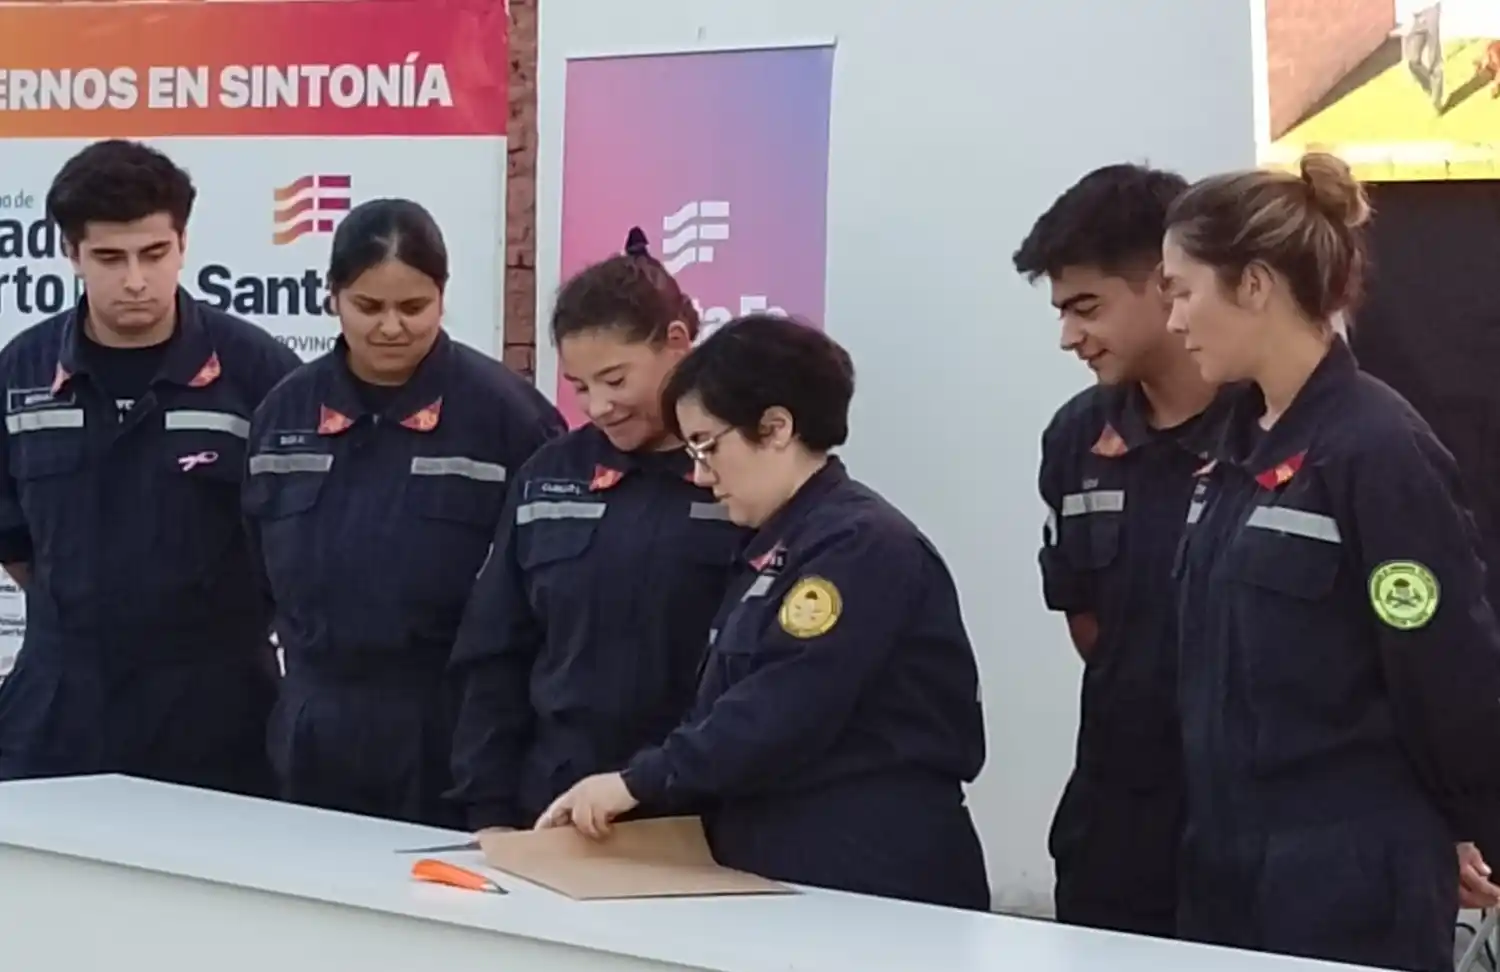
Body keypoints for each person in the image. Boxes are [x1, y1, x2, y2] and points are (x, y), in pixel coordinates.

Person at [1161, 152, 1500, 971]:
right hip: (1225, 860)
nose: (1173, 320)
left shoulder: (1376, 449)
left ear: (1253, 285)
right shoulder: (1234, 447)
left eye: (1182, 290)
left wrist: (1460, 822)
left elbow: (1444, 665)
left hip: (1345, 875)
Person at [535, 314, 991, 911]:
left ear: (776, 427)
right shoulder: (776, 548)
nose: (700, 475)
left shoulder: (858, 547)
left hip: (866, 872)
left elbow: (780, 709)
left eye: (707, 446)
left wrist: (636, 783)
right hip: (780, 860)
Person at [243, 198, 564, 828]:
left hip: (450, 726)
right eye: (369, 307)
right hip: (313, 722)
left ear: (442, 297)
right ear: (332, 297)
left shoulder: (507, 419)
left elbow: (546, 593)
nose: (391, 327)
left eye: (413, 307)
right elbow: (255, 561)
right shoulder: (283, 416)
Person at [0, 139, 301, 792]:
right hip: (59, 706)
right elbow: (12, 535)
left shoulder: (260, 375)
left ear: (183, 245)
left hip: (221, 710)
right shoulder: (20, 374)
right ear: (71, 254)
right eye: (110, 258)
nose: (135, 280)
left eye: (153, 254)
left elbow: (303, 538)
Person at [448, 228, 749, 832]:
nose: (597, 407)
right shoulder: (549, 476)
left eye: (615, 380)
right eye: (580, 387)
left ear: (678, 344)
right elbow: (496, 656)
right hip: (558, 806)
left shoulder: (744, 474)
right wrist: (487, 807)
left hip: (702, 811)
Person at [1012, 163, 1222, 938]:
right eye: (1062, 311)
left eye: (1087, 307)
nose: (1070, 336)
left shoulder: (1285, 429)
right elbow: (1085, 619)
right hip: (1119, 823)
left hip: (1255, 820)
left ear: (1167, 285)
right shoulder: (1076, 438)